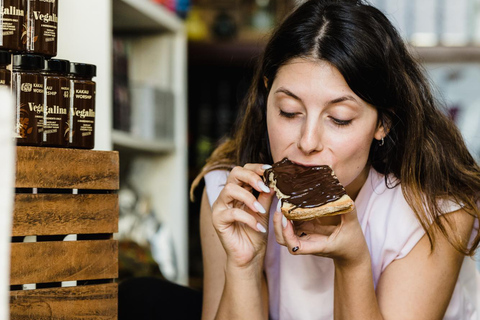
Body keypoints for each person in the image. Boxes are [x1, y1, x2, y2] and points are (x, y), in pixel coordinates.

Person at [190, 0, 480, 319]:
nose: (307, 141)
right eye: (289, 112)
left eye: (339, 118)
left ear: (382, 123)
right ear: (266, 97)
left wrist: (353, 262)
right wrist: (243, 266)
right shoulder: (232, 200)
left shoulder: (436, 211)